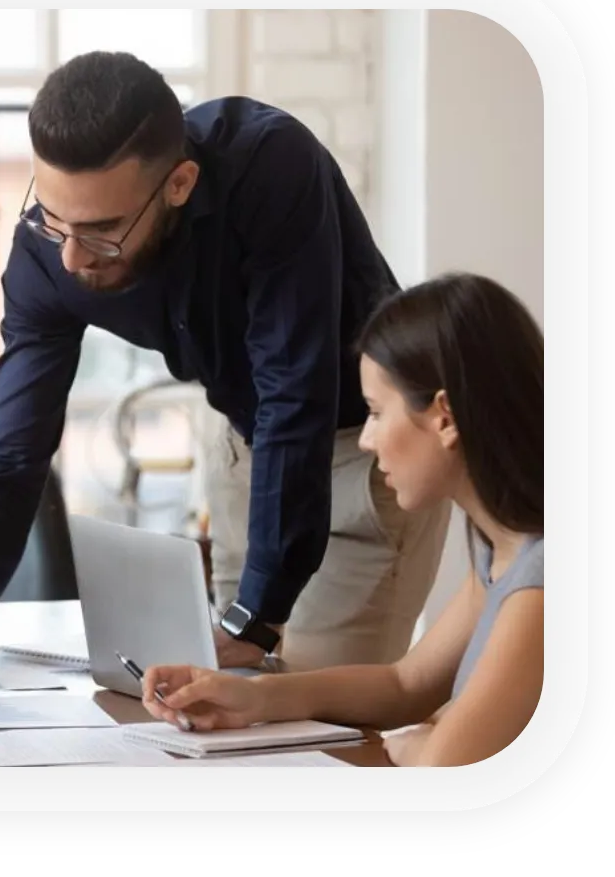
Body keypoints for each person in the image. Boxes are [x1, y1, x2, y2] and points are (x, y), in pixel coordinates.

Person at [0, 51, 452, 685]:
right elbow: (12, 451)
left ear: (178, 184)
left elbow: (295, 393)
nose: (72, 258)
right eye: (54, 216)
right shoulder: (47, 252)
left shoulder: (270, 167)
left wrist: (256, 619)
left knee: (319, 718)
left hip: (369, 458)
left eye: (102, 230)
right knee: (228, 713)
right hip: (248, 450)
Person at [139, 272, 544, 768]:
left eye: (375, 412)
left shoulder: (542, 583)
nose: (367, 441)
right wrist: (255, 698)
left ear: (445, 417)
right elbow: (406, 685)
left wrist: (422, 745)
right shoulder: (499, 544)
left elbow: (444, 769)